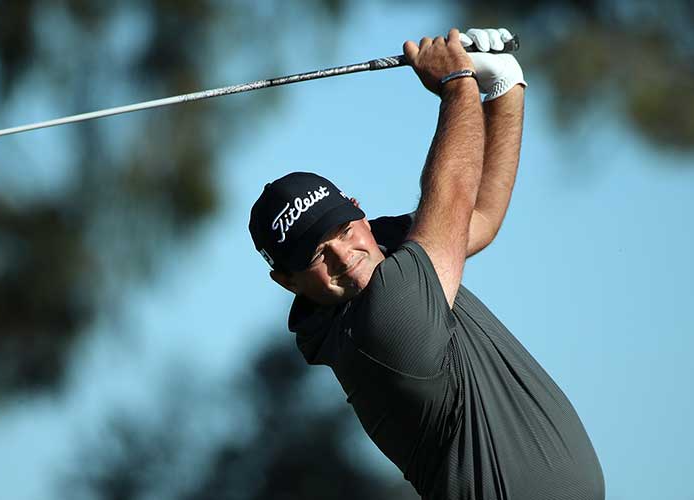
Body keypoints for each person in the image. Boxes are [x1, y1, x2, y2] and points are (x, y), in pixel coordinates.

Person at [248, 28, 605, 499]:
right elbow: (454, 195)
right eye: (316, 255)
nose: (342, 255)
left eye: (343, 230)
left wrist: (504, 87)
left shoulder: (396, 259)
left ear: (360, 211)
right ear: (286, 282)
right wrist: (457, 81)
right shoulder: (376, 327)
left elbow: (479, 217)